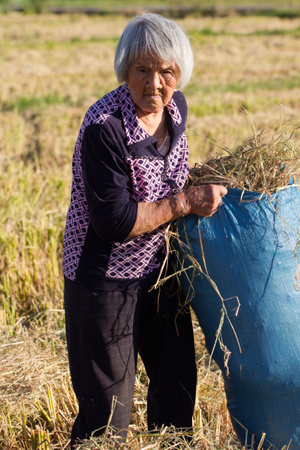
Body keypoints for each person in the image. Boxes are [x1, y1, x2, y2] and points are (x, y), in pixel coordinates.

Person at [63, 12, 227, 448]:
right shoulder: (105, 128)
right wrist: (186, 201)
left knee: (176, 386)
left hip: (160, 269)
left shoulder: (176, 109)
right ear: (125, 70)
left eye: (166, 71)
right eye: (142, 70)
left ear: (180, 74)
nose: (154, 83)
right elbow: (114, 222)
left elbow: (174, 171)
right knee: (106, 412)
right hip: (103, 280)